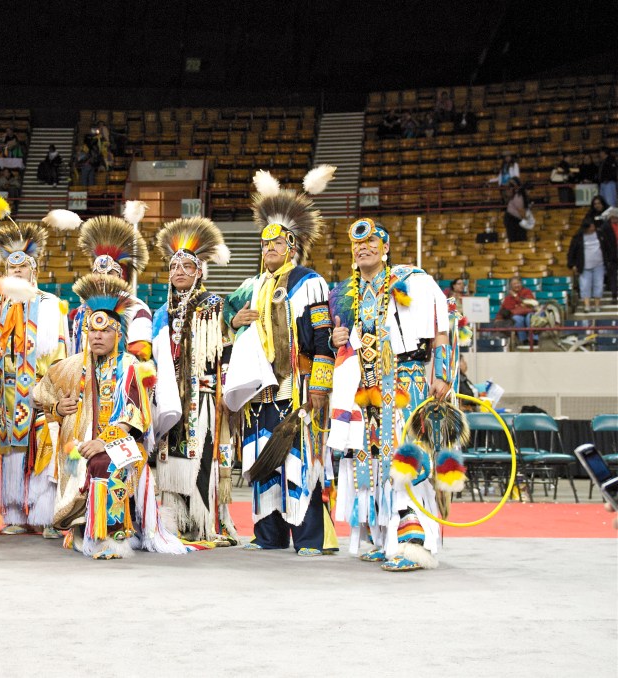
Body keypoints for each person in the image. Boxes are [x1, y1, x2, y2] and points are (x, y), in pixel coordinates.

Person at [328, 218, 455, 572]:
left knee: (405, 457)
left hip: (406, 381)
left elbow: (440, 329)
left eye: (372, 242)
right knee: (369, 461)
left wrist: (441, 375)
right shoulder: (346, 293)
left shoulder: (412, 280)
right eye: (357, 245)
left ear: (386, 248)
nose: (363, 248)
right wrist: (337, 341)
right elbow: (345, 340)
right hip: (365, 390)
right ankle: (386, 538)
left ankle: (415, 545)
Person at [223, 167, 336, 555]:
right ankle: (268, 535)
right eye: (264, 245)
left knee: (299, 461)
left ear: (292, 247)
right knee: (262, 458)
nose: (269, 249)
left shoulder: (309, 282)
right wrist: (234, 320)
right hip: (260, 390)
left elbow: (323, 340)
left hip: (297, 386)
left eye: (277, 244)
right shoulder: (252, 286)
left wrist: (320, 385)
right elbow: (224, 310)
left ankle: (308, 539)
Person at [34, 274, 186, 559]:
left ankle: (111, 535)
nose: (97, 336)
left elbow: (133, 417)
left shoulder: (129, 365)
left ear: (118, 334)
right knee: (82, 459)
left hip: (121, 442)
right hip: (77, 446)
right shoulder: (69, 366)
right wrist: (57, 409)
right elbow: (38, 396)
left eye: (105, 332)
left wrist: (104, 442)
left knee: (105, 462)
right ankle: (83, 524)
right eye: (93, 331)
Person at [152, 216, 238, 544]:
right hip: (170, 396)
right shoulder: (162, 312)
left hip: (201, 396)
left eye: (187, 266)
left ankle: (201, 522)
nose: (179, 272)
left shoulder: (211, 305)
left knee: (200, 456)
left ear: (199, 271)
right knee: (168, 458)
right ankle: (174, 519)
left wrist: (224, 390)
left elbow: (223, 353)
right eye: (174, 267)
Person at [0, 217, 69, 537]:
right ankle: (16, 514)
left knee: (43, 446)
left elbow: (59, 353)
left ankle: (47, 514)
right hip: (5, 395)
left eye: (23, 267)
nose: (17, 271)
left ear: (34, 271)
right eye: (11, 268)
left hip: (39, 390)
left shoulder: (50, 305)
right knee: (10, 451)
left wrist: (50, 394)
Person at [65, 203, 153, 360]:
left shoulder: (135, 307)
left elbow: (140, 354)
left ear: (119, 276)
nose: (103, 278)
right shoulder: (81, 311)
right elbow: (74, 354)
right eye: (98, 273)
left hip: (122, 379)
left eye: (110, 273)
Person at [569, 208, 618, 313]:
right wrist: (572, 264)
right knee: (585, 286)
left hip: (599, 264)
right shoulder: (578, 237)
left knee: (598, 285)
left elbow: (607, 247)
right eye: (591, 226)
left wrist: (609, 259)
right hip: (584, 266)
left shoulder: (600, 234)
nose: (593, 227)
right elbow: (572, 252)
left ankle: (597, 305)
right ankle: (587, 305)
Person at [496, 276, 538, 344]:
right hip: (518, 315)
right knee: (517, 318)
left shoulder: (527, 292)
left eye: (518, 283)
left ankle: (534, 339)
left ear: (521, 283)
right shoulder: (508, 298)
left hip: (529, 313)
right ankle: (524, 340)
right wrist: (498, 319)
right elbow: (503, 310)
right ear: (511, 286)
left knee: (530, 317)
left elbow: (530, 304)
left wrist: (516, 296)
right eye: (514, 284)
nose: (516, 285)